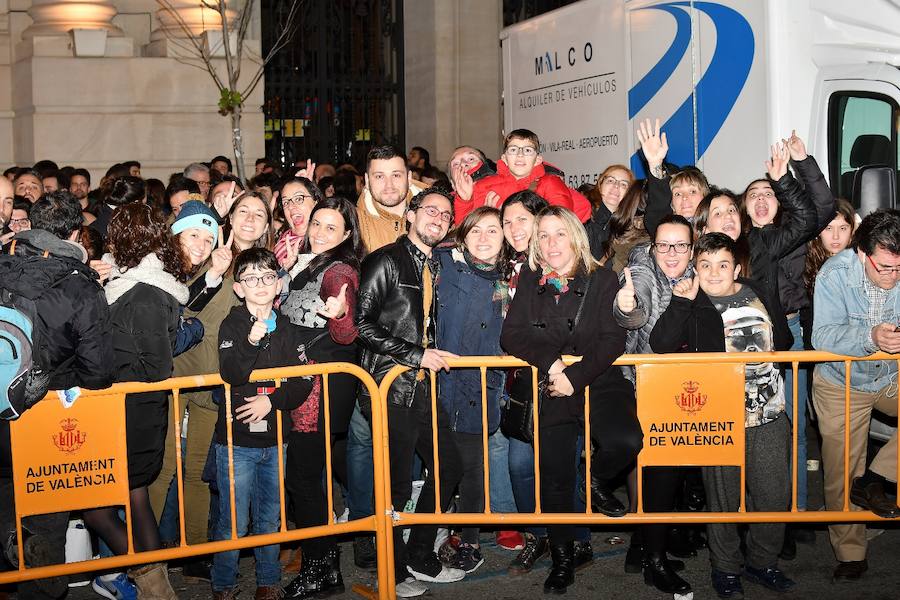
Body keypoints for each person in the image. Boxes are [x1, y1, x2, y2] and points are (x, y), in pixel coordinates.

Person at [501, 206, 642, 594]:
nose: (551, 243)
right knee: (556, 479)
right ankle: (563, 559)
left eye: (559, 233)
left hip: (597, 378)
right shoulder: (530, 278)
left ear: (576, 237)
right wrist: (552, 365)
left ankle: (596, 480)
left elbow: (613, 341)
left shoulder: (603, 278)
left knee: (626, 441)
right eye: (543, 235)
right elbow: (511, 335)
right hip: (553, 384)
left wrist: (574, 377)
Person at [650, 232, 795, 598]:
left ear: (737, 267)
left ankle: (763, 562)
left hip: (769, 412)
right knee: (723, 498)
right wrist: (682, 304)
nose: (715, 273)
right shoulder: (692, 301)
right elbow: (661, 344)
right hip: (719, 417)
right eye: (706, 265)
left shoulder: (758, 292)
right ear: (695, 269)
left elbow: (786, 341)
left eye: (723, 265)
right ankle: (725, 569)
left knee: (773, 494)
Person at [0, 191, 114, 600]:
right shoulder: (81, 286)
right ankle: (41, 583)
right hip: (44, 409)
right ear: (74, 231)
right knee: (45, 518)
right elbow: (98, 371)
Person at [355, 187, 465, 597]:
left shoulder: (434, 264)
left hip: (419, 386)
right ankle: (393, 570)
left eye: (445, 215)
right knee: (396, 484)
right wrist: (417, 355)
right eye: (430, 210)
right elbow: (361, 325)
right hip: (387, 385)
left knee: (449, 467)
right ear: (412, 214)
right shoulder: (385, 259)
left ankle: (420, 553)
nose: (437, 218)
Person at [83, 203, 191, 600]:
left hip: (132, 410)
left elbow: (156, 364)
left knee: (97, 500)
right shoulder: (125, 280)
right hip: (123, 409)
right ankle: (155, 588)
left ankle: (150, 581)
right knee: (133, 496)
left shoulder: (144, 290)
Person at [211, 247, 314, 600]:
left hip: (275, 440)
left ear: (278, 284)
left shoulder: (287, 327)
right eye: (251, 278)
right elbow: (232, 372)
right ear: (238, 288)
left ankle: (268, 582)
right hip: (235, 441)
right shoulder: (232, 324)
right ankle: (223, 585)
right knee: (232, 522)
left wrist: (272, 400)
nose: (260, 284)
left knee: (270, 518)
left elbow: (303, 381)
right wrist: (252, 339)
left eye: (267, 277)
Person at [281, 197, 364, 598]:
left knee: (306, 478)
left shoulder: (339, 270)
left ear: (347, 235)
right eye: (317, 223)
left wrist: (341, 314)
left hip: (321, 387)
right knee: (307, 476)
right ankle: (324, 564)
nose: (319, 233)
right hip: (304, 383)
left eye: (331, 228)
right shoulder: (304, 262)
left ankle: (321, 570)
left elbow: (346, 332)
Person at [811, 209, 900, 583]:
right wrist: (870, 339)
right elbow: (822, 337)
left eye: (899, 268)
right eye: (884, 268)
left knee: (861, 477)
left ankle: (878, 477)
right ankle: (850, 553)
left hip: (890, 377)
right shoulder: (834, 273)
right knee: (839, 473)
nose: (893, 276)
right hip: (840, 382)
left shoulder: (895, 266)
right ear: (863, 254)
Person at [613, 214, 695, 595]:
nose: (672, 253)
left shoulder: (697, 270)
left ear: (692, 248)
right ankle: (653, 559)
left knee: (669, 470)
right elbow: (636, 311)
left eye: (680, 245)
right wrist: (628, 307)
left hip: (685, 389)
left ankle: (649, 547)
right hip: (643, 385)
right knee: (657, 470)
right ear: (652, 246)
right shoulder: (643, 268)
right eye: (664, 245)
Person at [434, 206, 508, 574]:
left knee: (472, 469)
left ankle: (470, 539)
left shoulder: (510, 279)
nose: (483, 237)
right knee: (438, 463)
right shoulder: (443, 264)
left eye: (492, 231)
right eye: (476, 229)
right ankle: (433, 531)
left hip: (480, 386)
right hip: (437, 382)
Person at [460, 129, 592, 225]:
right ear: (504, 158)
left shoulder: (550, 183)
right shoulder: (486, 186)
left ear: (538, 159)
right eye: (513, 150)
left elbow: (564, 222)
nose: (520, 155)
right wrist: (465, 201)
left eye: (527, 150)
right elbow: (465, 229)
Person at [356, 145, 425, 252]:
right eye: (379, 176)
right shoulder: (354, 225)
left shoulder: (437, 214)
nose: (389, 185)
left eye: (396, 175)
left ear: (409, 177)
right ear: (367, 180)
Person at [584, 164, 634, 256]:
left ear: (629, 194)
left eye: (623, 184)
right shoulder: (583, 217)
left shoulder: (630, 228)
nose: (616, 186)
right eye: (611, 181)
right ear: (600, 184)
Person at [273, 176, 322, 268]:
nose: (291, 206)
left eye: (299, 199)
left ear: (315, 202)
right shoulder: (279, 237)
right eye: (286, 202)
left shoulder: (323, 243)